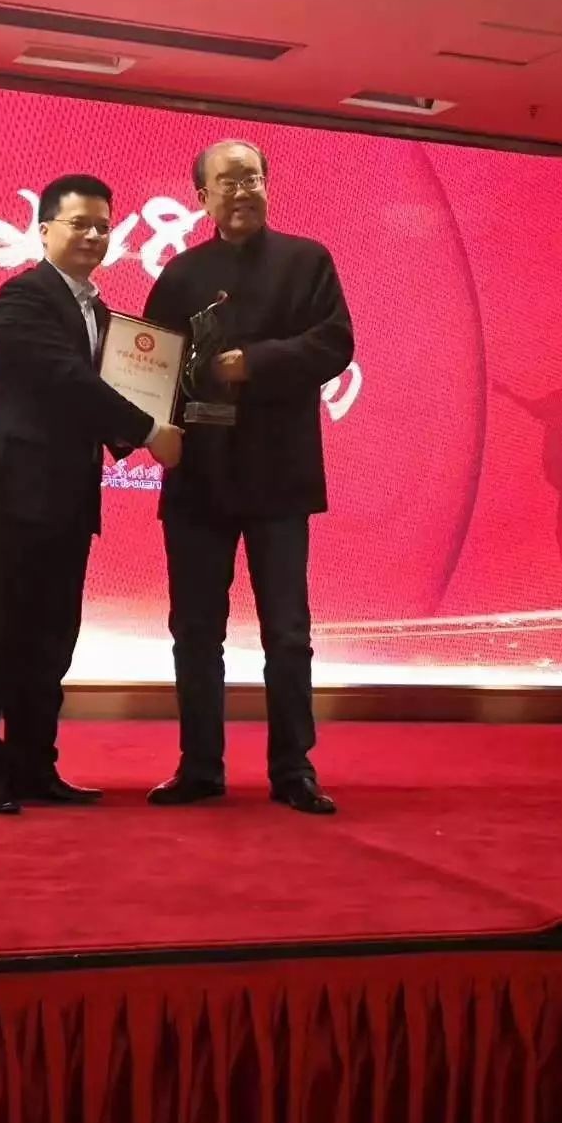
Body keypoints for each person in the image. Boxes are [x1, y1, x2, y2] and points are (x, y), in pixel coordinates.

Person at [0, 174, 183, 814]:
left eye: (103, 226)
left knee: (52, 641)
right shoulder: (23, 295)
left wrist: (169, 413)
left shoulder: (103, 315)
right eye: (79, 224)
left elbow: (107, 392)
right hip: (9, 494)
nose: (93, 236)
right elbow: (64, 379)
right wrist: (150, 431)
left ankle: (34, 765)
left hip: (69, 497)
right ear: (45, 228)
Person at [142, 140, 353, 814]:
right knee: (194, 631)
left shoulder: (307, 260)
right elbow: (149, 365)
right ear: (202, 197)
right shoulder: (181, 274)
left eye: (252, 178)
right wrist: (145, 430)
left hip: (279, 476)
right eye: (227, 182)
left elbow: (334, 342)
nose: (242, 191)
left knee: (287, 632)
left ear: (268, 186)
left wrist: (252, 363)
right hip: (199, 479)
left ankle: (293, 769)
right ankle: (200, 766)